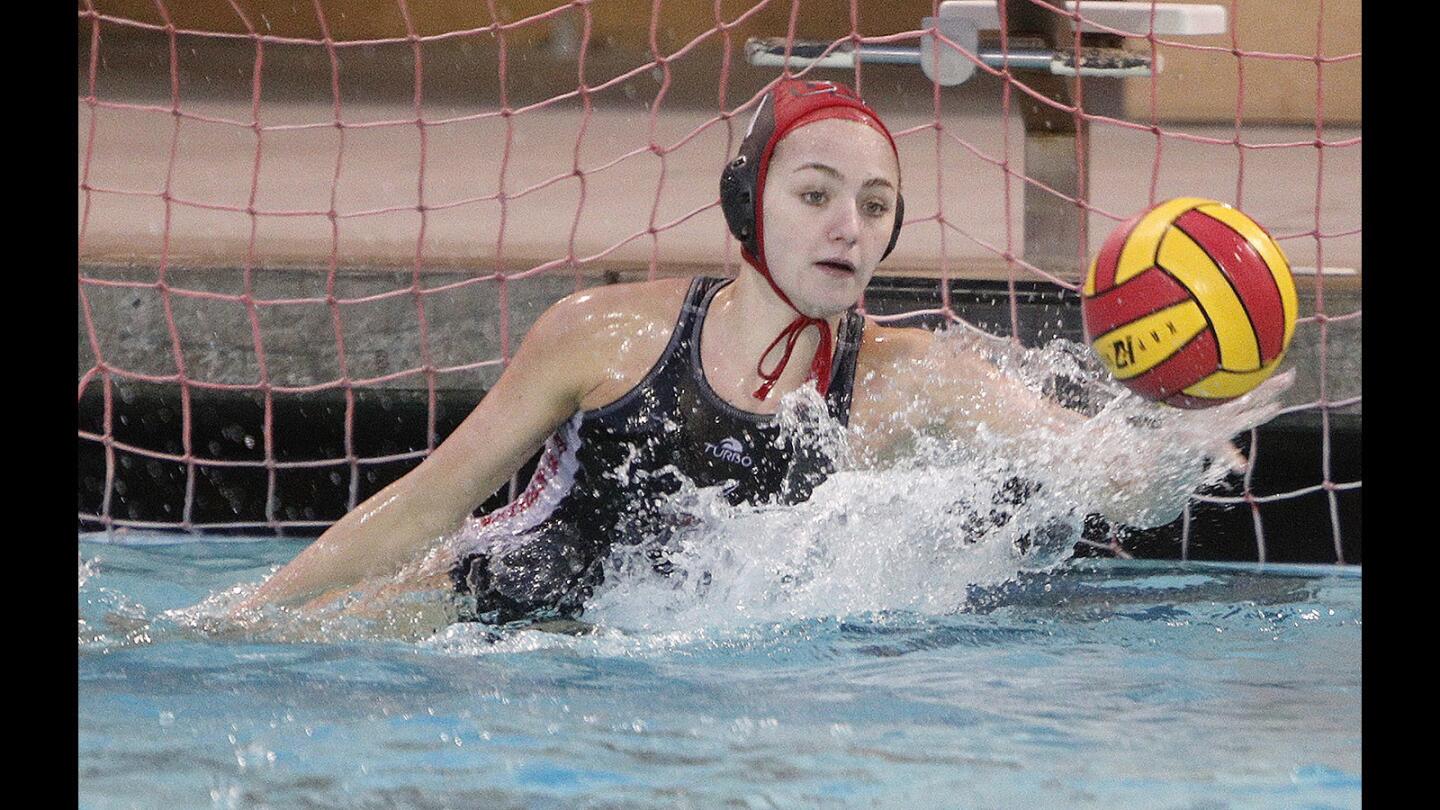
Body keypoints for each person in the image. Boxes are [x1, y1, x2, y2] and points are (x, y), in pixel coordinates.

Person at [236, 78, 1251, 622]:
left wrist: (1194, 425)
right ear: (745, 203)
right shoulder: (605, 333)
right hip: (472, 619)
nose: (847, 225)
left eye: (874, 205)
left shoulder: (913, 382)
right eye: (815, 195)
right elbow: (426, 505)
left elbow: (1117, 484)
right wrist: (241, 619)